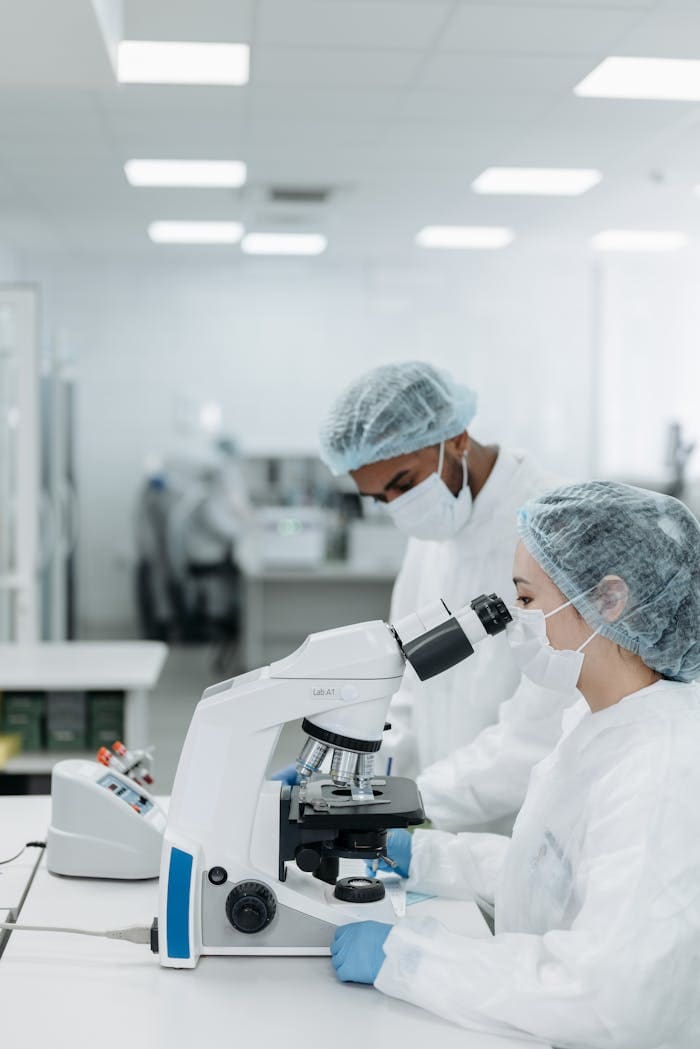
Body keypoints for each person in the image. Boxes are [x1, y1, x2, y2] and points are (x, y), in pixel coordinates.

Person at [331, 481, 700, 1049]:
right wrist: (423, 854)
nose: (515, 621)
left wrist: (410, 960)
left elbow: (607, 1000)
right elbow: (553, 878)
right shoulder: (599, 721)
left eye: (526, 600)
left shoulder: (660, 767)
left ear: (609, 601)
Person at [317, 360, 567, 833]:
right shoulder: (430, 534)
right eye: (378, 499)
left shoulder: (558, 526)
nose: (399, 509)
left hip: (522, 831)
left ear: (456, 439)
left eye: (405, 484)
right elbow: (405, 684)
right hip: (438, 824)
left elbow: (539, 734)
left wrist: (412, 803)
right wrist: (361, 776)